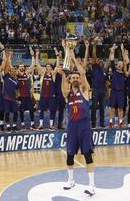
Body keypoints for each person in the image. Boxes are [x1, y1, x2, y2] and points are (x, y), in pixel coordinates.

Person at [60, 48, 95, 196]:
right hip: (72, 126)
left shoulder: (85, 90)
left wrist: (74, 59)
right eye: (72, 78)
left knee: (87, 155)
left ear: (79, 79)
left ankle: (92, 186)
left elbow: (82, 72)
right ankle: (71, 180)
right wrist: (63, 76)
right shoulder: (68, 95)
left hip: (84, 126)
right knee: (69, 154)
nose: (75, 79)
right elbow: (63, 90)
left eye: (76, 77)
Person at [35, 48, 58, 130]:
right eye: (46, 66)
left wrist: (57, 55)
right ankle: (41, 124)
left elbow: (58, 66)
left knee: (52, 110)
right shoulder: (43, 73)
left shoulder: (53, 74)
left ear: (51, 68)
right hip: (43, 95)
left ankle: (51, 125)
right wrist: (37, 55)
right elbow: (37, 65)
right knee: (41, 110)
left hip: (51, 96)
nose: (47, 67)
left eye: (48, 66)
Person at [90, 39, 108, 128]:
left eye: (102, 61)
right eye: (99, 60)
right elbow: (94, 56)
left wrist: (107, 92)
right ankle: (93, 124)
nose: (101, 61)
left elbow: (106, 82)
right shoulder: (95, 67)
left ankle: (102, 123)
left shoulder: (105, 70)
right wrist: (94, 46)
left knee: (102, 108)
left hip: (103, 90)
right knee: (94, 107)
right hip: (96, 90)